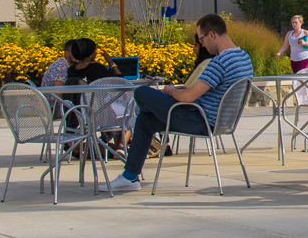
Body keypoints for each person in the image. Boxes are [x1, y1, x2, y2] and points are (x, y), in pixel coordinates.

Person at [99, 14, 255, 193]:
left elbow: (188, 97)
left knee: (141, 92)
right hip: (221, 121)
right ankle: (130, 177)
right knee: (144, 121)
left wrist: (171, 91)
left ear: (212, 35)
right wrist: (181, 91)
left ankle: (141, 119)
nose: (202, 44)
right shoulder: (244, 57)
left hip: (199, 119)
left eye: (201, 39)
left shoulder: (219, 62)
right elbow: (203, 91)